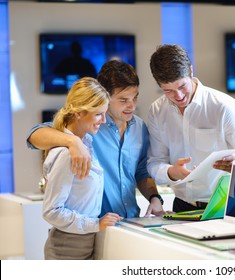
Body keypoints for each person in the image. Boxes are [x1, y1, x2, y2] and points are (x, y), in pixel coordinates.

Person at [27, 60, 165, 218]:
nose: (132, 106)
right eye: (123, 100)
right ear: (105, 96)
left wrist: (154, 197)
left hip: (132, 221)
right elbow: (34, 135)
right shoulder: (90, 124)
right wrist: (73, 142)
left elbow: (141, 172)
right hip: (94, 226)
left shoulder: (139, 128)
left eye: (135, 98)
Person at [147, 44, 235, 212]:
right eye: (168, 91)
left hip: (223, 206)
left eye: (182, 86)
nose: (178, 96)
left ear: (191, 71)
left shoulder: (224, 106)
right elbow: (155, 162)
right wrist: (172, 172)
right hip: (182, 206)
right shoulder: (157, 111)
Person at [42, 77, 120, 260]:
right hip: (66, 248)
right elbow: (51, 211)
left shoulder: (86, 144)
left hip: (85, 243)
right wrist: (95, 224)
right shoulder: (67, 154)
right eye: (99, 114)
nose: (103, 119)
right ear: (79, 112)